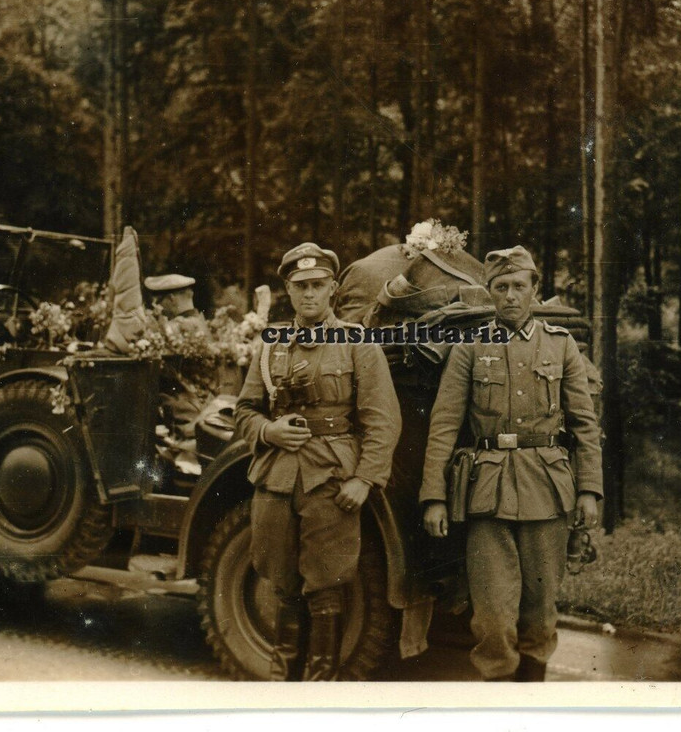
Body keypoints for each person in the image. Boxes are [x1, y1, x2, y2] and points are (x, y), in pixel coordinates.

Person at [419, 245, 603, 682]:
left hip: (548, 488)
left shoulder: (561, 348)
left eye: (519, 286)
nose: (510, 296)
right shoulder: (470, 347)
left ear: (535, 289)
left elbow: (584, 425)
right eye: (500, 287)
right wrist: (434, 498)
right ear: (489, 292)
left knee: (539, 613)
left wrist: (589, 491)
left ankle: (530, 703)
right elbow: (444, 425)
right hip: (487, 491)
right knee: (493, 617)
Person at [233, 242, 402, 681]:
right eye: (300, 286)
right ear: (288, 290)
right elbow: (245, 411)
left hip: (330, 477)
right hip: (277, 476)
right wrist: (269, 431)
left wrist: (365, 480)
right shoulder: (272, 346)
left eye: (318, 285)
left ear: (332, 289)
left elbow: (382, 419)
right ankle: (281, 684)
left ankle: (319, 686)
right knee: (281, 581)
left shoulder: (356, 342)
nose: (309, 293)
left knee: (326, 585)